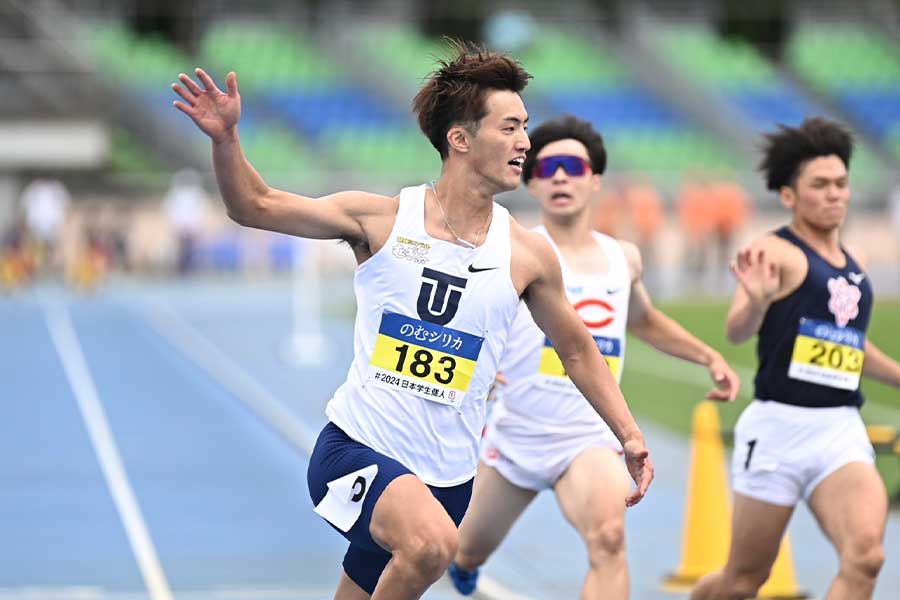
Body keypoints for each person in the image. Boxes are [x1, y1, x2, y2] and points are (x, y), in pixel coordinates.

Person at [171, 42, 653, 600]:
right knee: (430, 546)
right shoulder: (380, 220)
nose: (526, 142)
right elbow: (253, 204)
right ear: (460, 139)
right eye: (511, 126)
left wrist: (630, 435)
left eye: (527, 126)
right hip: (356, 448)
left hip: (448, 478)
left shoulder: (527, 256)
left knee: (395, 564)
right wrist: (227, 140)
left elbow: (577, 349)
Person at [447, 115, 740, 599]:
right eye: (548, 167)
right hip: (513, 439)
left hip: (587, 440)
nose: (560, 176)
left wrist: (708, 356)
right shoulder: (508, 249)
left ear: (595, 179)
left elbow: (642, 320)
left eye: (573, 166)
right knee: (461, 547)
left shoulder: (623, 257)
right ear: (532, 179)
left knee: (608, 540)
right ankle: (468, 562)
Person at [691, 117, 900, 600]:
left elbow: (852, 347)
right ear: (789, 195)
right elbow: (737, 330)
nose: (835, 194)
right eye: (820, 185)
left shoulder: (855, 259)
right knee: (744, 581)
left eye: (842, 183)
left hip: (839, 430)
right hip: (778, 433)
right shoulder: (774, 252)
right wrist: (759, 300)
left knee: (866, 558)